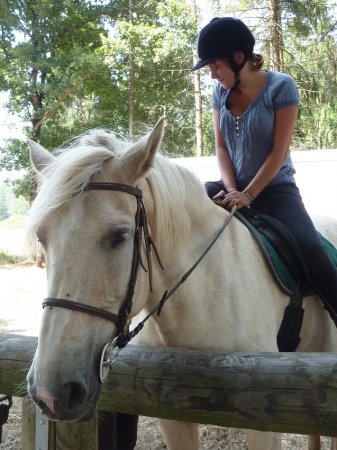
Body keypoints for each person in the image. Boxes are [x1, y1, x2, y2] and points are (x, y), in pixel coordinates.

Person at [192, 17, 337, 325]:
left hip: (274, 190)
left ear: (239, 57)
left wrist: (248, 194)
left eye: (215, 65)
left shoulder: (281, 87)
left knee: (309, 246)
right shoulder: (220, 94)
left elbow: (279, 151)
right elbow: (221, 148)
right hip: (233, 187)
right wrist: (232, 190)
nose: (212, 74)